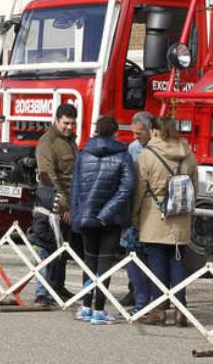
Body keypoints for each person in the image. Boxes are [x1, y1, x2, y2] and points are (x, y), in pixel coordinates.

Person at [133, 117, 198, 327]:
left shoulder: (147, 155)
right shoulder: (187, 154)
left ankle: (159, 310)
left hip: (155, 215)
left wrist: (134, 215)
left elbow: (139, 189)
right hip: (180, 215)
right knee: (178, 261)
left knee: (157, 262)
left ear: (154, 132)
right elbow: (195, 185)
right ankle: (181, 309)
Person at [69, 116, 135, 325]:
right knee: (105, 264)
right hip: (110, 219)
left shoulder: (83, 153)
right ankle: (99, 310)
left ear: (96, 131)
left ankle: (86, 306)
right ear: (116, 132)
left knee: (89, 262)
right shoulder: (123, 155)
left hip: (87, 216)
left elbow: (76, 187)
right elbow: (127, 187)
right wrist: (107, 212)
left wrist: (77, 215)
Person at [28, 103, 78, 305]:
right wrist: (64, 204)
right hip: (50, 200)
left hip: (68, 200)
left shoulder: (70, 141)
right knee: (45, 245)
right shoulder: (47, 142)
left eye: (73, 123)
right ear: (56, 120)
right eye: (66, 123)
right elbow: (48, 176)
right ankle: (42, 293)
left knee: (62, 247)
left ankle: (57, 285)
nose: (69, 127)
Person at [120, 111, 153, 313]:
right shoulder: (133, 148)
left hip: (149, 208)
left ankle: (149, 296)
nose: (136, 137)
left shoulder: (155, 150)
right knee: (132, 252)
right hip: (135, 207)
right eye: (133, 132)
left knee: (149, 254)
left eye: (139, 133)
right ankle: (134, 290)